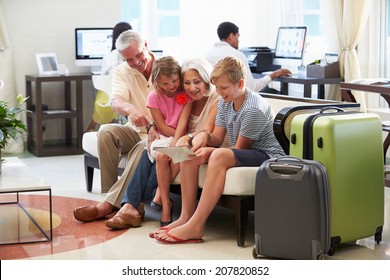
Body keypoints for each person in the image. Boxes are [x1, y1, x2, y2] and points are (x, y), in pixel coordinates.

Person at [154, 56, 285, 244]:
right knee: (189, 154)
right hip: (245, 152)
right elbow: (216, 138)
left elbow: (239, 149)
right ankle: (186, 217)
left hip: (266, 155)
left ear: (240, 83)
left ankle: (197, 225)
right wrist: (200, 138)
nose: (219, 92)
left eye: (223, 88)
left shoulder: (253, 109)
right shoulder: (226, 101)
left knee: (219, 155)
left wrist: (210, 151)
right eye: (217, 87)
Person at [103, 57, 221, 229]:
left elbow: (206, 132)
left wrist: (182, 138)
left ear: (206, 79)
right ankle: (132, 206)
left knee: (157, 155)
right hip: (178, 139)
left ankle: (135, 204)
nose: (191, 87)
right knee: (151, 154)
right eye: (187, 82)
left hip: (195, 142)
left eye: (197, 82)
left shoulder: (210, 99)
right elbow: (165, 123)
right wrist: (167, 135)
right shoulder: (185, 95)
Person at [73, 30, 157, 222]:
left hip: (158, 132)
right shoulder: (122, 71)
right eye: (129, 59)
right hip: (135, 129)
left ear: (146, 44)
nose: (135, 62)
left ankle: (109, 206)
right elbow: (116, 102)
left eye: (138, 55)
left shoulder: (166, 67)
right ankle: (109, 197)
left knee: (141, 148)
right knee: (105, 132)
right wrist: (131, 110)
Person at [205, 21, 291, 92]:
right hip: (231, 99)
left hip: (216, 97)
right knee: (273, 92)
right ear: (231, 36)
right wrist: (274, 74)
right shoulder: (236, 55)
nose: (238, 40)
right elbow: (251, 87)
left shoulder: (209, 54)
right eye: (237, 36)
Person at [86, 22, 133, 132]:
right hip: (121, 96)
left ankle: (95, 127)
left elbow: (103, 77)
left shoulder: (109, 56)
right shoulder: (127, 56)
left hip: (105, 98)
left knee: (105, 96)